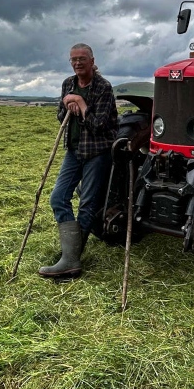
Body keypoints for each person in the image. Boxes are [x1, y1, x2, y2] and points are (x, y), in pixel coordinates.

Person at [40, 43, 118, 279]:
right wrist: (67, 105)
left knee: (87, 204)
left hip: (97, 152)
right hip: (73, 151)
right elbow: (61, 117)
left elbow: (100, 126)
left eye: (82, 58)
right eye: (73, 59)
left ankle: (71, 260)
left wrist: (83, 106)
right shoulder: (68, 84)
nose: (77, 63)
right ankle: (70, 254)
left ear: (92, 60)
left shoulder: (103, 88)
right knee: (58, 197)